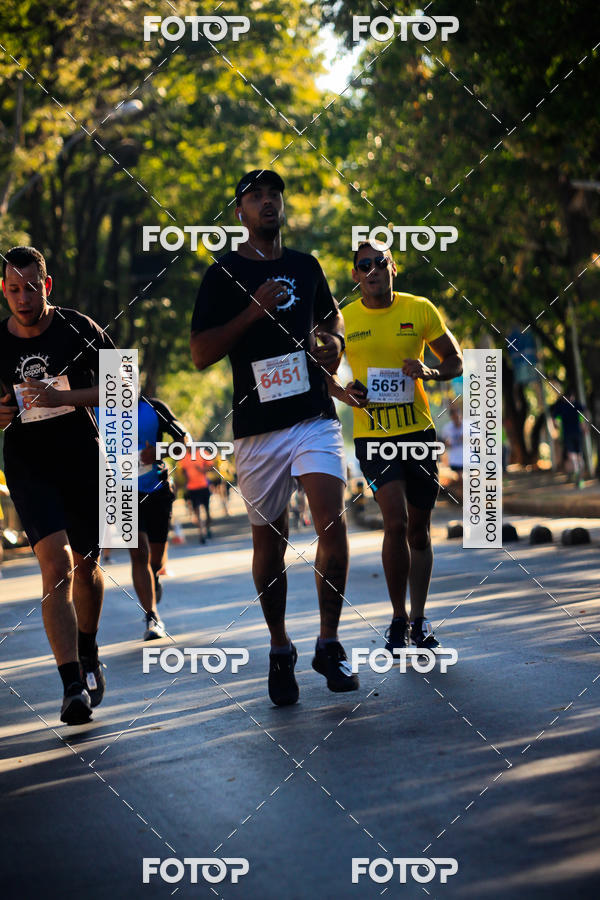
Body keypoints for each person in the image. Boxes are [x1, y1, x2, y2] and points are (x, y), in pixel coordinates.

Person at [190, 169, 358, 706]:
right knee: (271, 543)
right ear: (239, 211)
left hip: (313, 415)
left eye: (274, 195)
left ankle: (329, 643)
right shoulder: (222, 274)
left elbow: (333, 325)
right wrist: (252, 312)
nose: (267, 203)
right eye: (255, 196)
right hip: (258, 428)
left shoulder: (305, 266)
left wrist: (331, 345)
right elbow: (200, 352)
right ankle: (280, 648)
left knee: (332, 523)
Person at [0, 246, 115, 724]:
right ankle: (71, 686)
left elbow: (123, 388)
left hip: (80, 458)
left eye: (30, 288)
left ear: (46, 286)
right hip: (28, 464)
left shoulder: (79, 328)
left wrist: (64, 395)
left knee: (88, 565)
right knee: (57, 564)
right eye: (12, 289)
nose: (22, 298)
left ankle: (87, 650)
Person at [331, 241, 462, 655]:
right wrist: (346, 394)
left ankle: (420, 619)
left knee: (420, 531)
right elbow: (323, 373)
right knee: (396, 523)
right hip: (374, 436)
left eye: (379, 262)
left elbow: (454, 360)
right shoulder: (344, 319)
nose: (372, 270)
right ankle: (397, 619)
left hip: (419, 434)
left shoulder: (419, 308)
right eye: (363, 265)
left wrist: (429, 371)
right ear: (356, 275)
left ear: (392, 266)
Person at [134, 395, 190, 637]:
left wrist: (160, 450)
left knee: (155, 560)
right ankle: (152, 616)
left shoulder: (153, 407)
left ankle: (154, 576)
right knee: (139, 553)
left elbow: (184, 440)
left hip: (157, 491)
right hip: (121, 492)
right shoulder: (96, 409)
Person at [551, 390, 586, 487]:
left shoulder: (561, 406)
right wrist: (584, 428)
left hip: (568, 435)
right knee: (579, 456)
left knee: (573, 457)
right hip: (577, 434)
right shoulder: (577, 405)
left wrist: (556, 427)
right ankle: (580, 477)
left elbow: (554, 419)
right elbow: (583, 417)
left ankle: (577, 475)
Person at [179, 448, 213, 543]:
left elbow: (211, 466)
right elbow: (183, 470)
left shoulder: (202, 453)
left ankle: (208, 528)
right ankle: (201, 533)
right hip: (192, 488)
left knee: (207, 511)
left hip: (204, 486)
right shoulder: (184, 457)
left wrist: (202, 469)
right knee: (196, 511)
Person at [441, 404, 463, 474]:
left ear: (461, 415)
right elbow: (443, 446)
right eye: (454, 417)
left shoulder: (469, 425)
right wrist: (446, 444)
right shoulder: (446, 428)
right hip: (455, 461)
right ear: (451, 417)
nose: (456, 419)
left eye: (457, 417)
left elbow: (479, 442)